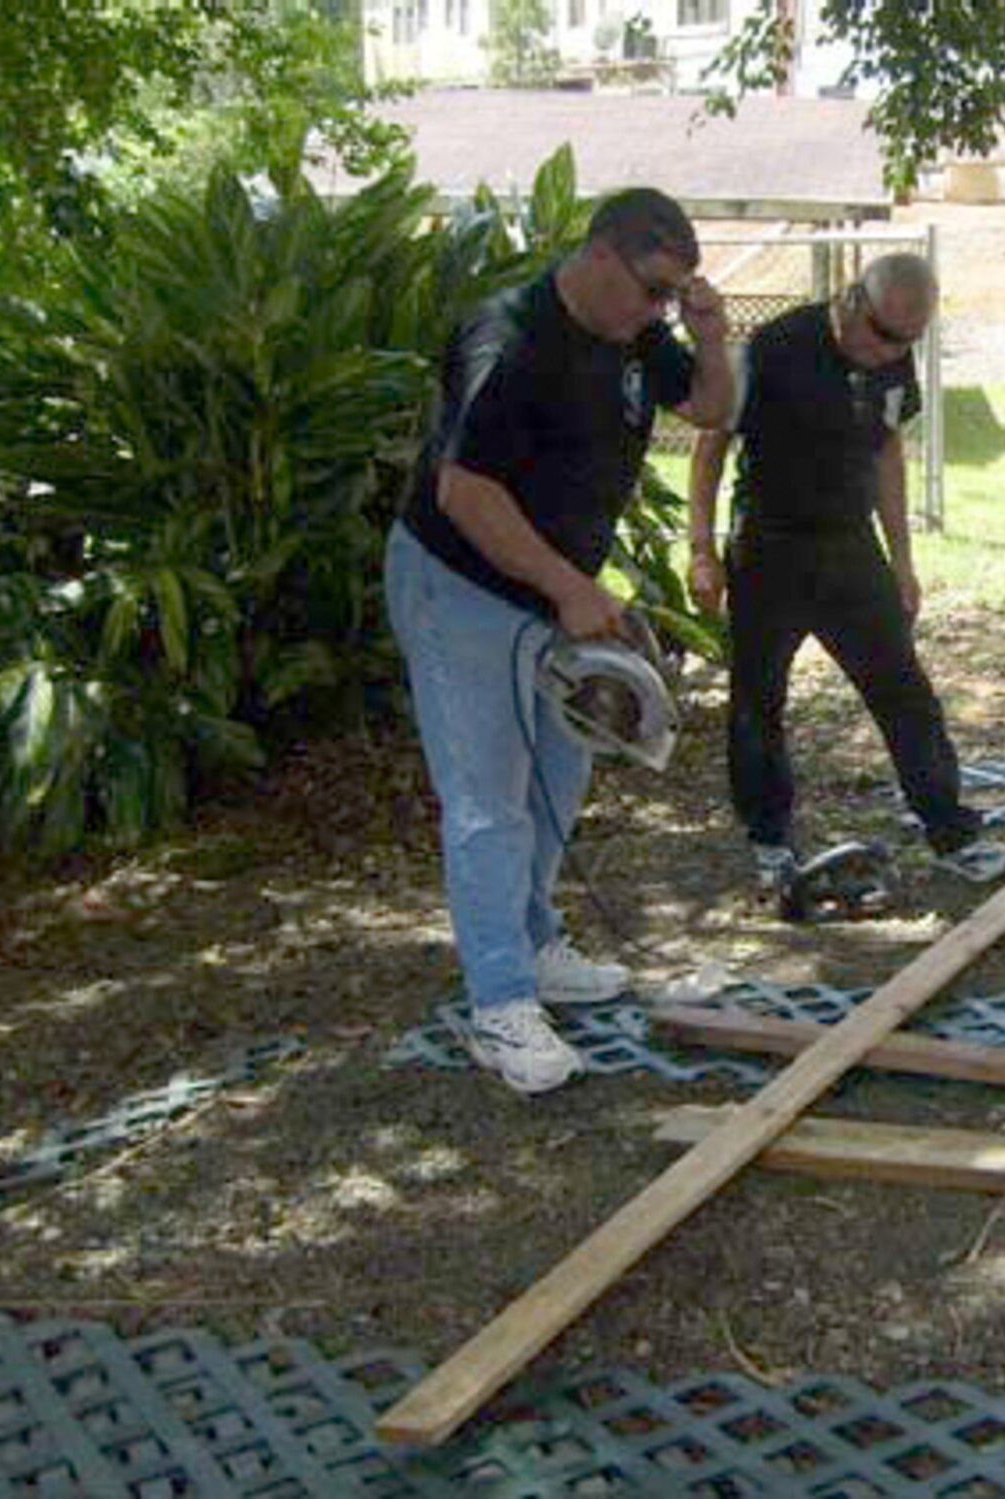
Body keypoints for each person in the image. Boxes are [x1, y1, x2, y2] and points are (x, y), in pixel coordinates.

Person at [385, 188, 733, 1094]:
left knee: (561, 771)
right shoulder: (506, 337)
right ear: (603, 256)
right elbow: (468, 493)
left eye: (671, 298)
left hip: (547, 592)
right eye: (654, 290)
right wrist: (570, 587)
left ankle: (536, 945)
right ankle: (498, 1004)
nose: (659, 311)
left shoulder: (635, 335)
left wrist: (711, 333)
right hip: (461, 586)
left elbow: (707, 408)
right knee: (486, 797)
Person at [686, 252, 1005, 894]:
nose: (893, 351)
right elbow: (710, 446)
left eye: (909, 342)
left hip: (850, 550)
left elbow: (887, 451)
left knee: (905, 693)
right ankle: (771, 840)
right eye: (887, 335)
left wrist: (902, 561)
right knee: (758, 701)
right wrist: (701, 548)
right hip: (769, 548)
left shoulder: (893, 357)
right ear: (853, 300)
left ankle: (950, 829)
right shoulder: (775, 346)